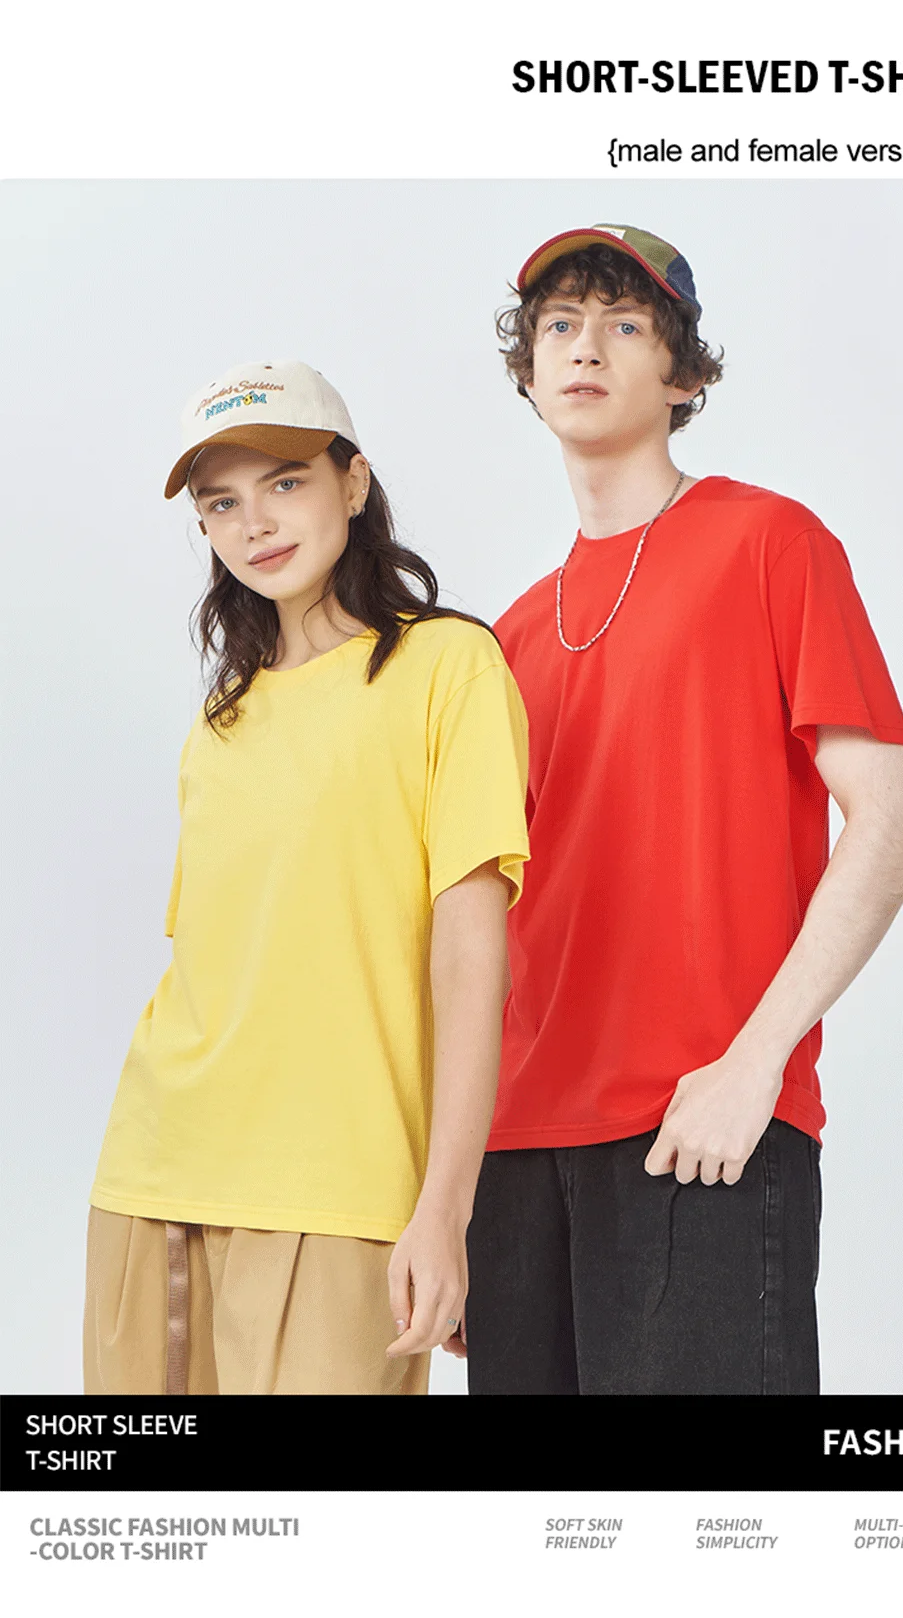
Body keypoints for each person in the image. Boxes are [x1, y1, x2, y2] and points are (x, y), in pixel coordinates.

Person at [464, 223, 903, 1396]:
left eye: (625, 324)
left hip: (701, 1124)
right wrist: (449, 1180)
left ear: (682, 377)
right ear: (528, 371)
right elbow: (481, 927)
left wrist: (752, 1063)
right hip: (512, 1160)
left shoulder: (768, 543)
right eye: (559, 325)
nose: (585, 347)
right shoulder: (505, 640)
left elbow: (892, 821)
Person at [85, 360, 529, 1396]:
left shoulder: (448, 668)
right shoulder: (221, 720)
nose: (255, 525)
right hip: (155, 1167)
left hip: (341, 1186)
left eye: (285, 483)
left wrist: (448, 1208)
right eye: (221, 504)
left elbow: (471, 957)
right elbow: (214, 961)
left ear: (354, 481)